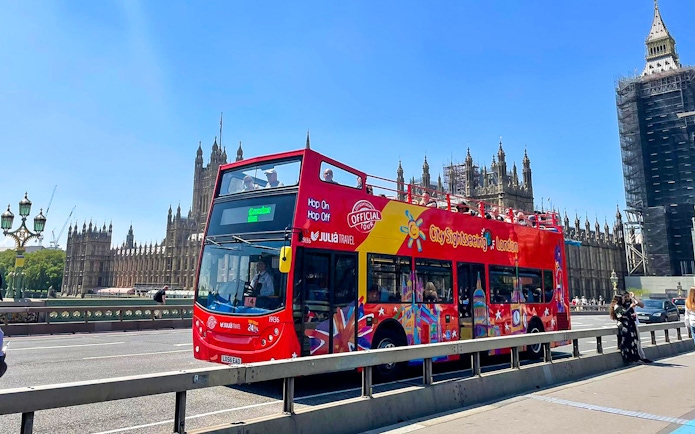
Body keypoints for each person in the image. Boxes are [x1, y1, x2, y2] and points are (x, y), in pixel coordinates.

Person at [609, 293, 642, 364]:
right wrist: (630, 307)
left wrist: (632, 315)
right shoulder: (617, 306)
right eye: (623, 298)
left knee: (632, 341)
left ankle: (634, 358)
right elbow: (622, 314)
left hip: (628, 325)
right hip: (623, 326)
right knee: (626, 342)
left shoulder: (621, 306)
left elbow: (627, 313)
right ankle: (628, 359)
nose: (624, 299)